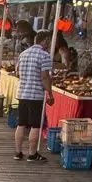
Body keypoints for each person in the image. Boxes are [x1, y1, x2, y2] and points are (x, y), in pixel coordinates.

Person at [14, 30, 54, 162]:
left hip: (22, 93)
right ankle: (32, 153)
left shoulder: (23, 54)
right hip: (36, 95)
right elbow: (44, 76)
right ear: (46, 40)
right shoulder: (44, 56)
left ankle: (18, 152)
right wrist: (50, 93)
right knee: (35, 125)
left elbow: (17, 73)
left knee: (21, 123)